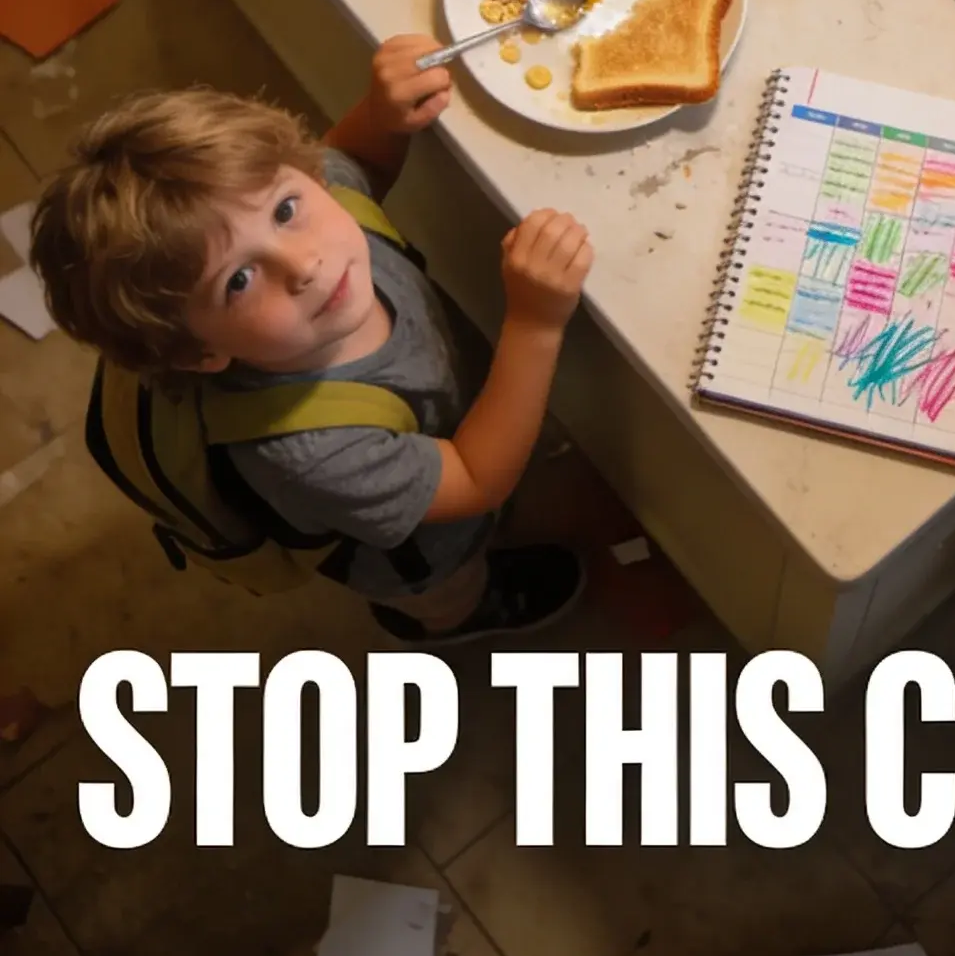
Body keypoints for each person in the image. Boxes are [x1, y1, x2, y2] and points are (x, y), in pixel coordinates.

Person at [30, 34, 593, 645]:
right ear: (199, 353)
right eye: (238, 280)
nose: (301, 263)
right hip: (424, 552)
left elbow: (355, 163)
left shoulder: (323, 207)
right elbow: (479, 477)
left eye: (283, 209)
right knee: (452, 584)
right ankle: (454, 618)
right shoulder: (310, 451)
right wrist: (534, 325)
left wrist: (382, 115)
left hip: (440, 439)